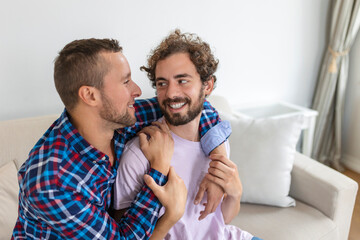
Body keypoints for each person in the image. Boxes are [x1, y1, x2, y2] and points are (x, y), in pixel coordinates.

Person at [11, 38, 230, 239]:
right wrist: (159, 169)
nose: (136, 90)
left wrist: (218, 167)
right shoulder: (52, 184)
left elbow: (192, 105)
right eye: (125, 82)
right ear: (90, 95)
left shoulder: (117, 119)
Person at [113, 30, 262, 239]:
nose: (171, 93)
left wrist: (235, 194)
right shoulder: (140, 153)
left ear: (207, 85)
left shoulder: (217, 143)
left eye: (182, 80)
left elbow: (221, 220)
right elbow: (126, 234)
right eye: (162, 83)